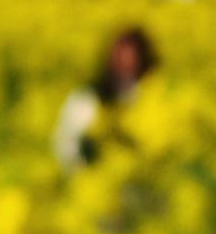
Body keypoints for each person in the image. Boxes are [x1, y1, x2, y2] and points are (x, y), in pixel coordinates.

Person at [53, 26, 159, 170]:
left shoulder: (150, 100)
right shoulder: (86, 99)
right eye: (121, 59)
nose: (125, 67)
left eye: (132, 62)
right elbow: (65, 144)